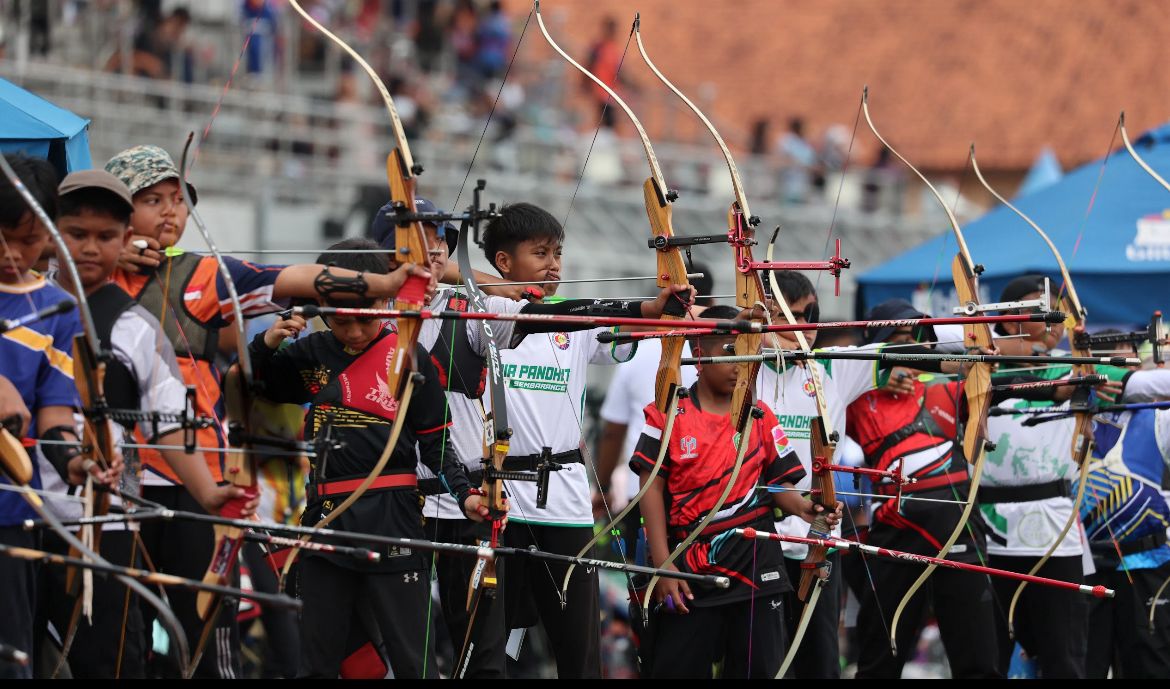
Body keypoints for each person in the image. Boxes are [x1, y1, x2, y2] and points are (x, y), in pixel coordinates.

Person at [104, 144, 427, 677]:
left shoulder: (204, 276)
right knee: (116, 640)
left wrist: (385, 285)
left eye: (178, 200)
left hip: (198, 479)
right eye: (151, 199)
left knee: (207, 634)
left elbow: (289, 280)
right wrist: (111, 254)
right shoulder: (81, 272)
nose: (170, 212)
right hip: (114, 479)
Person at [38, 170, 258, 678]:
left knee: (111, 661)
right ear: (52, 235)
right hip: (19, 509)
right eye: (76, 234)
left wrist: (207, 492)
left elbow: (168, 423)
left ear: (124, 242)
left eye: (105, 236)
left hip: (103, 519)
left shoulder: (136, 326)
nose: (91, 248)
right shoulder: (23, 304)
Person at [250, 241, 483, 678]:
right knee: (316, 665)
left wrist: (468, 496)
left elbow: (437, 446)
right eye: (341, 320)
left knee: (414, 663)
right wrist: (267, 342)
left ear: (386, 301)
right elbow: (253, 384)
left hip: (394, 521)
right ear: (320, 308)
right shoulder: (310, 354)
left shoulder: (412, 359)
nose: (355, 332)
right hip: (326, 520)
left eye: (367, 317)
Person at [634, 304, 842, 678]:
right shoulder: (666, 413)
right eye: (728, 351)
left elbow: (781, 488)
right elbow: (650, 489)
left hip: (756, 568)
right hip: (690, 570)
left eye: (747, 349)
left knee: (759, 670)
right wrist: (663, 564)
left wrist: (809, 509)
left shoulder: (760, 413)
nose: (739, 362)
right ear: (698, 355)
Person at [0, 154, 87, 680]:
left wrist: (74, 460)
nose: (13, 254)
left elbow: (54, 410)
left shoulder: (56, 308)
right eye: (2, 236)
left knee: (12, 656)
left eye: (29, 240)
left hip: (11, 508)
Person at [1079, 359, 1170, 678]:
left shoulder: (1158, 416)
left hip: (1143, 563)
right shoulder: (1072, 411)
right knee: (1082, 663)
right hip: (1083, 565)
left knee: (1148, 662)